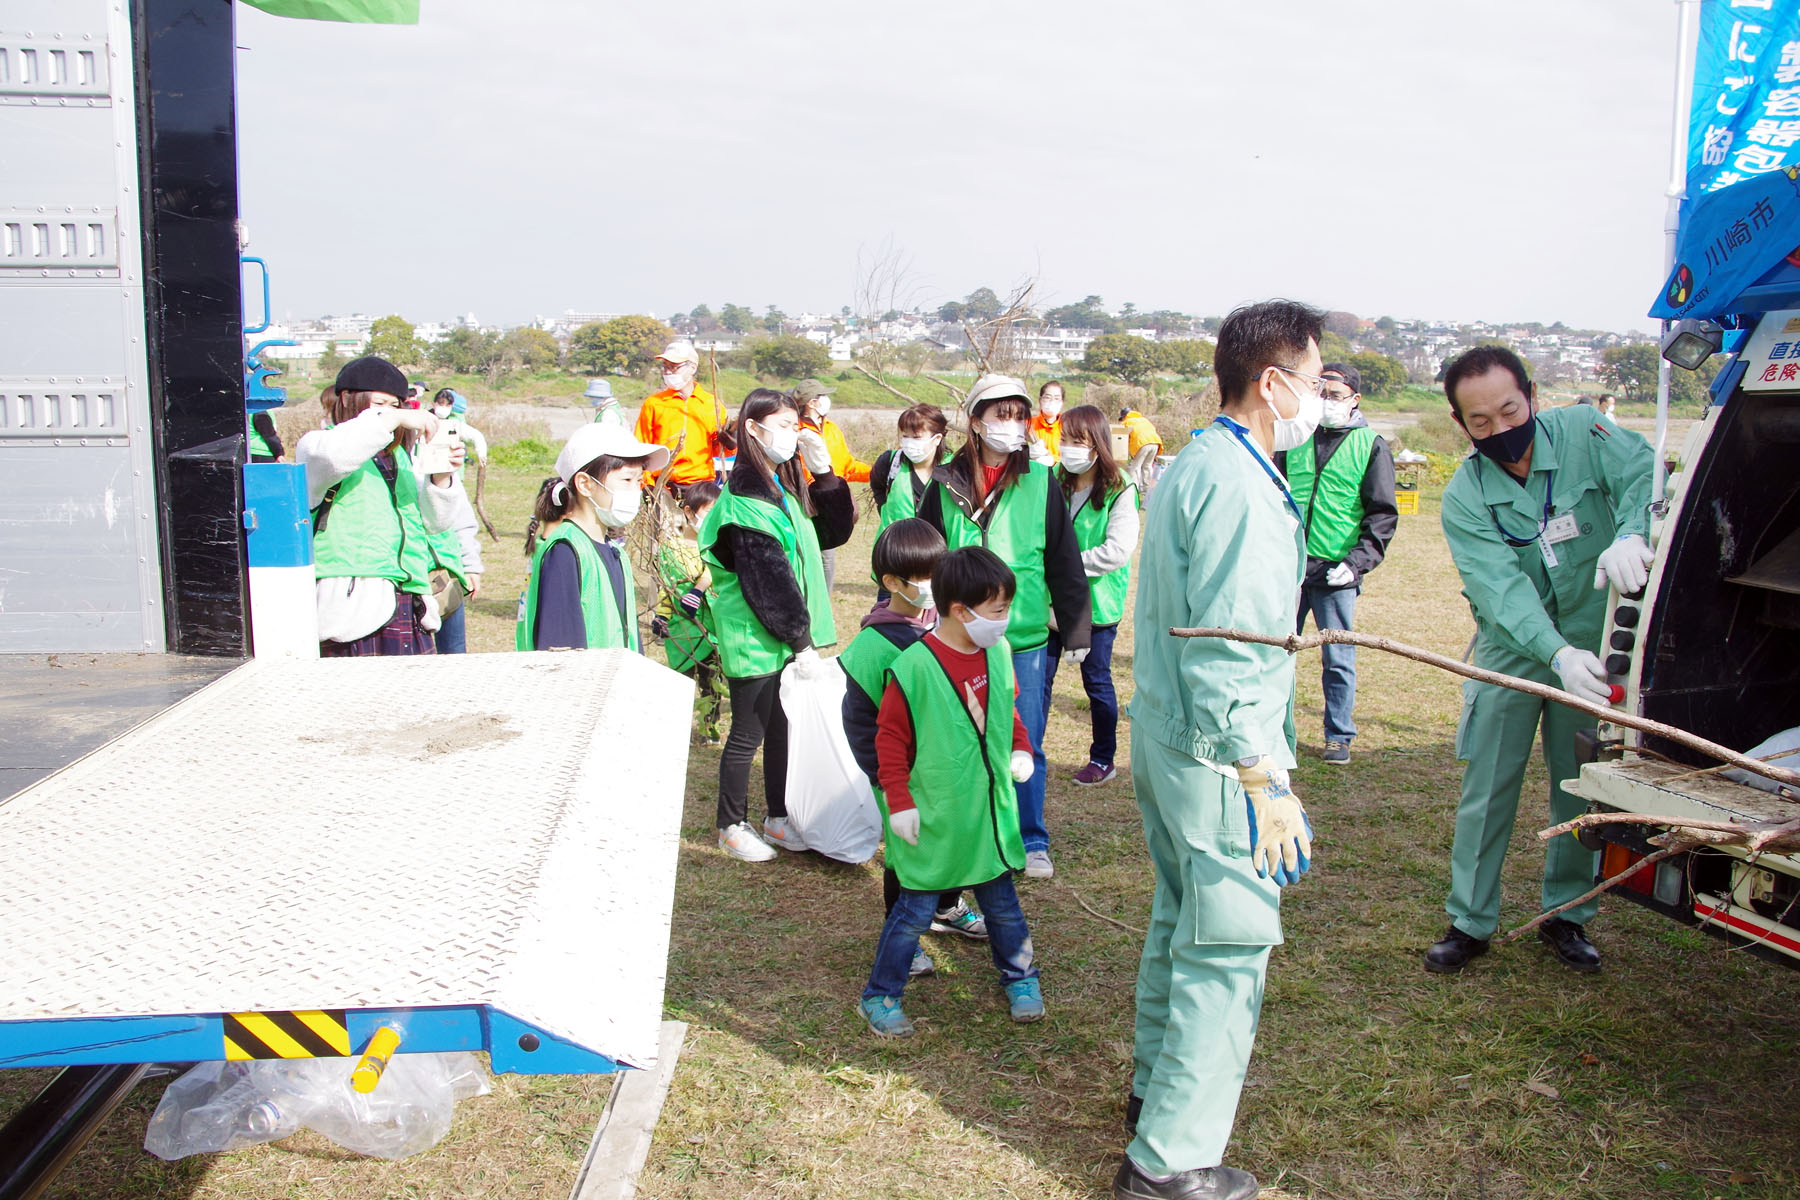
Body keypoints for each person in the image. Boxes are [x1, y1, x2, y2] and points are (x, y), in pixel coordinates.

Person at [1118, 300, 1325, 1200]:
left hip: (1169, 731)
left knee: (1182, 916)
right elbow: (1233, 644)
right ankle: (1170, 1161)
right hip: (1215, 748)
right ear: (1271, 381)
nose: (1326, 400)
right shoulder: (1238, 482)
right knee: (1230, 940)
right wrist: (1262, 775)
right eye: (1316, 382)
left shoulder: (1199, 460)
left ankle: (1151, 1094)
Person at [1427, 345, 1653, 976]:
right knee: (1488, 784)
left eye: (1509, 409)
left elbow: (1645, 476)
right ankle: (1469, 921)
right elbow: (1500, 588)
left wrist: (1635, 531)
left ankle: (1569, 914)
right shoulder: (1464, 495)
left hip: (1596, 637)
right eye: (1480, 422)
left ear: (1531, 394)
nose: (1501, 430)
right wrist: (1554, 653)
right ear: (1461, 425)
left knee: (1580, 781)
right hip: (1514, 647)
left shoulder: (1585, 431)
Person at [861, 546, 1044, 1037]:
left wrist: (1020, 749)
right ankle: (880, 994)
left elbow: (1010, 712)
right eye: (999, 610)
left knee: (1002, 902)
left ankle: (1021, 977)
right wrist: (899, 801)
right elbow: (890, 739)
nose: (1006, 620)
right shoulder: (915, 667)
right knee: (913, 912)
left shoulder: (998, 654)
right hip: (938, 813)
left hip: (986, 814)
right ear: (961, 611)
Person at [918, 374, 1092, 880]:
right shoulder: (945, 483)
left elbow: (1064, 560)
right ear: (975, 421)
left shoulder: (1041, 482)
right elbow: (924, 553)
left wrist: (1076, 628)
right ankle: (973, 834)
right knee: (960, 739)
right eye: (1001, 414)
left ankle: (1030, 837)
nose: (1013, 425)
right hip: (957, 637)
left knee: (1026, 741)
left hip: (1024, 639)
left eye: (1020, 414)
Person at [700, 388, 857, 862]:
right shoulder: (745, 498)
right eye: (785, 426)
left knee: (783, 727)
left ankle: (778, 816)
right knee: (748, 731)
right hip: (753, 634)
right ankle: (731, 824)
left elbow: (831, 532)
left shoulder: (781, 485)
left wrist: (826, 474)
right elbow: (766, 578)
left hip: (781, 634)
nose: (794, 435)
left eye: (796, 425)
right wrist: (802, 641)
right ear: (753, 427)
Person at [839, 518, 988, 978]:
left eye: (937, 572)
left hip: (947, 768)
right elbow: (859, 719)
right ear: (891, 583)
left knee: (953, 837)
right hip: (901, 773)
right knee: (907, 852)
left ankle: (946, 906)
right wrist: (886, 775)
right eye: (922, 578)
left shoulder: (943, 625)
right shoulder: (874, 645)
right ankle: (900, 932)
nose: (933, 586)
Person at [298, 356, 469, 657]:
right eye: (379, 404)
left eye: (395, 406)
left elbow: (435, 523)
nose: (389, 414)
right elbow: (337, 456)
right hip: (351, 612)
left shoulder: (400, 459)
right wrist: (390, 419)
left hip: (409, 603)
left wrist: (441, 479)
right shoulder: (317, 446)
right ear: (348, 400)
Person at [1277, 362, 1398, 766]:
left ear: (1354, 400)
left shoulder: (1371, 445)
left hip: (1336, 571)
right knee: (1275, 652)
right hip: (1290, 568)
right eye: (1320, 394)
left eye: (1335, 396)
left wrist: (1356, 563)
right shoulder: (1294, 436)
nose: (1326, 403)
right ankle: (1273, 724)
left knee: (1338, 660)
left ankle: (1338, 735)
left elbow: (1382, 514)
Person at [1045, 404, 1139, 788]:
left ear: (1098, 445)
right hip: (1049, 602)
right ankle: (1027, 748)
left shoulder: (1120, 489)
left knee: (1096, 681)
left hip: (1096, 604)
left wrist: (1066, 565)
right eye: (1065, 440)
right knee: (1038, 679)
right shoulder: (1054, 479)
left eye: (1078, 441)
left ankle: (1104, 758)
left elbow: (1117, 550)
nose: (1069, 449)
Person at [516, 423, 670, 652]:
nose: (636, 491)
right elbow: (560, 652)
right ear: (585, 484)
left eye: (639, 481)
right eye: (626, 480)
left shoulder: (615, 551)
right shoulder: (565, 552)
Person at [653, 481, 727, 745]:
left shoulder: (717, 545)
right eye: (707, 513)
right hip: (681, 628)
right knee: (680, 679)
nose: (711, 520)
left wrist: (698, 590)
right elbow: (666, 587)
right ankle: (678, 728)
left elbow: (714, 572)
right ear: (688, 512)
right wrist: (662, 616)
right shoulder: (670, 549)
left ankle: (710, 729)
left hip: (710, 628)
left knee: (711, 680)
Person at [794, 378, 870, 591]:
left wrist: (876, 473)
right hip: (806, 498)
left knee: (828, 554)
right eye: (823, 396)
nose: (827, 400)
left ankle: (823, 600)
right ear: (811, 401)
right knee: (805, 550)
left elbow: (846, 465)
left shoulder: (832, 429)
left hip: (832, 499)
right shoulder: (794, 430)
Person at [635, 340, 724, 493]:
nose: (669, 372)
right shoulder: (654, 404)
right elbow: (640, 447)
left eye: (675, 367)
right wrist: (646, 484)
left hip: (701, 487)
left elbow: (722, 451)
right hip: (663, 485)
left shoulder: (711, 405)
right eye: (665, 367)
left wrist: (730, 442)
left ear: (692, 368)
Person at [868, 404, 952, 536]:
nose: (909, 443)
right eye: (905, 436)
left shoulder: (954, 468)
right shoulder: (889, 462)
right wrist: (885, 509)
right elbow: (877, 486)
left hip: (940, 548)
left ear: (937, 439)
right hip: (897, 548)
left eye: (916, 437)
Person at [1119, 405, 1164, 492]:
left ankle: (1133, 488)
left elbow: (1121, 438)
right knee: (1147, 466)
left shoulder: (1126, 422)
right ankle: (1147, 489)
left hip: (1142, 444)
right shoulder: (1144, 420)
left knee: (1135, 467)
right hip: (1155, 443)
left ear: (1124, 416)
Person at [1029, 379, 1067, 462]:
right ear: (1040, 400)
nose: (1052, 402)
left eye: (1056, 398)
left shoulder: (1068, 428)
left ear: (1062, 402)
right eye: (1047, 397)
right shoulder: (1028, 425)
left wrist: (1053, 459)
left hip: (1059, 473)